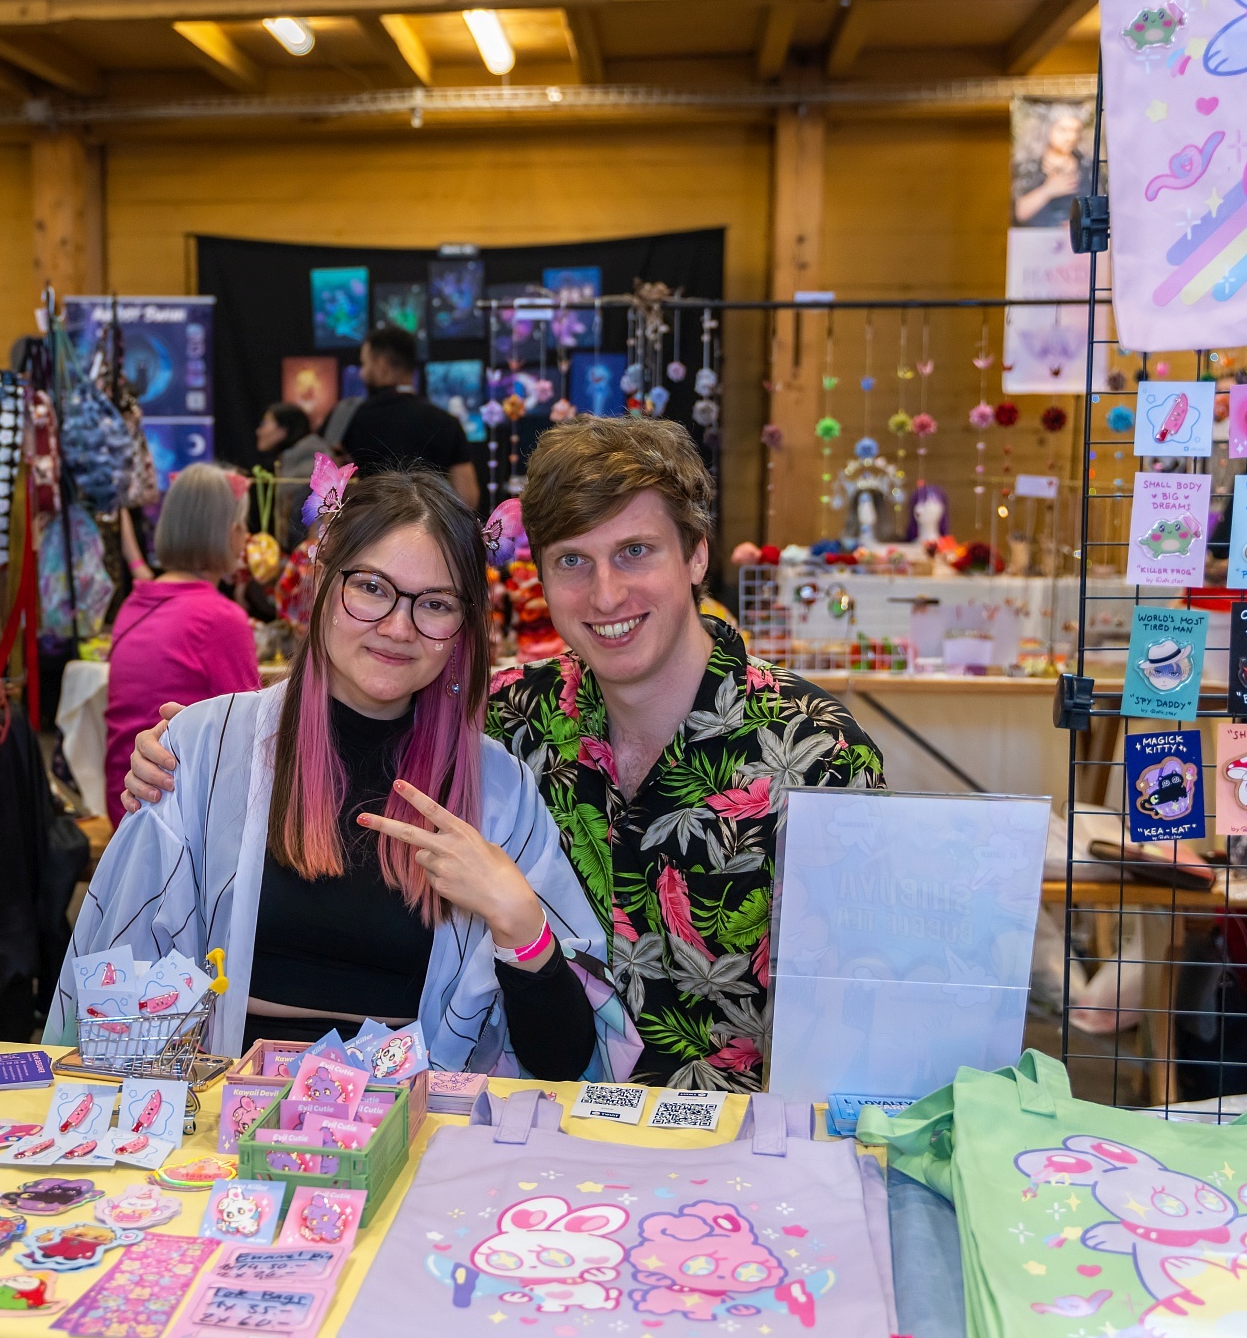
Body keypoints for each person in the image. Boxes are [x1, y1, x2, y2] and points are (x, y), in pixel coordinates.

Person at [126, 416, 884, 1091]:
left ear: (696, 557)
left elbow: (865, 1016)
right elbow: (361, 705)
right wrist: (191, 756)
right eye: (573, 561)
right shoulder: (513, 723)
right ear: (539, 578)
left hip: (736, 1147)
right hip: (547, 1143)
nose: (606, 594)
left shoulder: (816, 754)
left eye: (635, 551)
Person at [48, 469, 631, 1081]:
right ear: (323, 582)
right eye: (372, 588)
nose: (399, 627)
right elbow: (115, 995)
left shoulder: (496, 793)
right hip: (223, 1115)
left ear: (462, 628)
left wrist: (521, 923)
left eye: (435, 604)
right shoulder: (203, 749)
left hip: (417, 1122)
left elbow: (566, 1064)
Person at [100, 463, 262, 808]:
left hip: (124, 798)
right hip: (173, 806)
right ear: (229, 531)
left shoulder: (135, 603)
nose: (246, 535)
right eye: (242, 524)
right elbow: (249, 734)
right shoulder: (219, 617)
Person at [339, 325, 479, 510]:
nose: (362, 373)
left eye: (364, 364)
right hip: (429, 523)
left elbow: (331, 490)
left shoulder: (350, 418)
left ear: (381, 365)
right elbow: (467, 498)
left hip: (371, 523)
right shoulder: (447, 423)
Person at [252, 400, 336, 542]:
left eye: (264, 423)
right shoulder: (291, 461)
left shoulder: (313, 463)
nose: (259, 431)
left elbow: (316, 524)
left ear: (283, 429)